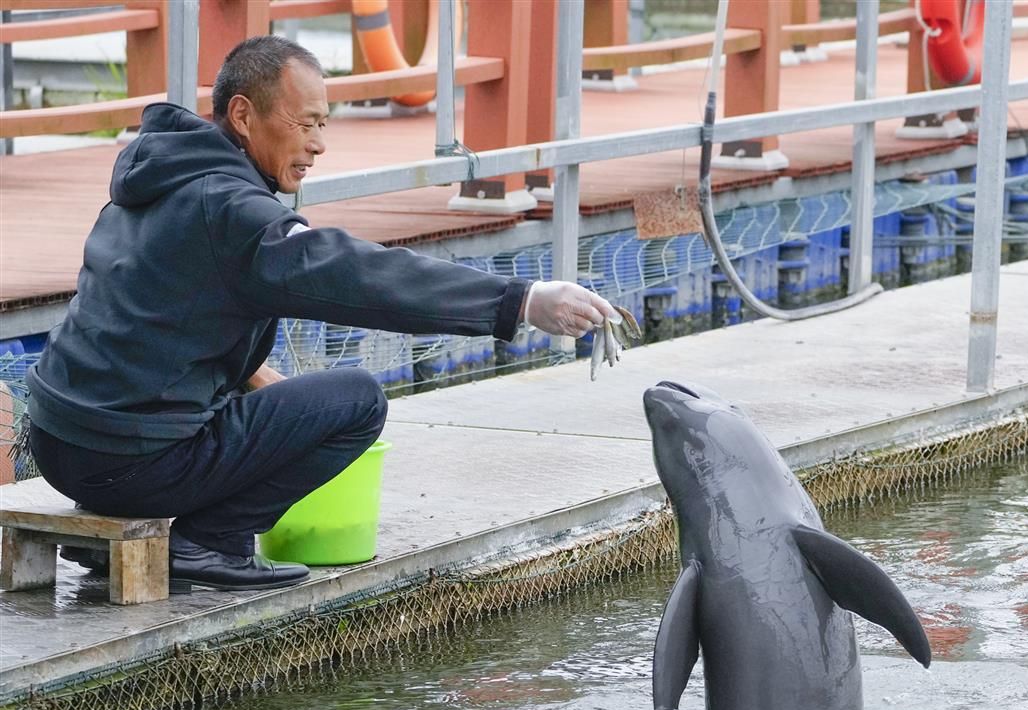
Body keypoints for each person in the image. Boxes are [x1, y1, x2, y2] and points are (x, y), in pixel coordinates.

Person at [24, 35, 616, 592]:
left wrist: (252, 374)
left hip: (58, 442)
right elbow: (360, 275)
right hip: (131, 462)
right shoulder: (234, 209)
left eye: (323, 124)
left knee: (273, 397)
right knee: (357, 401)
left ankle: (114, 537)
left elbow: (158, 309)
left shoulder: (160, 176)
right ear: (243, 115)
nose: (318, 144)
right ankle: (208, 543)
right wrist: (520, 300)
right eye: (304, 123)